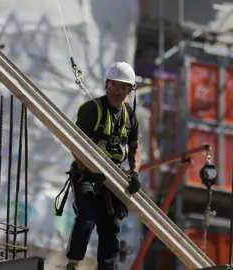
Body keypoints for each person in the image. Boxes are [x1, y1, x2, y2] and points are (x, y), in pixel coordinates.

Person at [65, 62, 142, 270]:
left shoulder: (130, 116)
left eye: (124, 87)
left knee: (112, 227)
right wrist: (91, 169)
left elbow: (135, 148)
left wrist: (134, 173)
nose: (118, 91)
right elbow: (76, 146)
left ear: (130, 90)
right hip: (86, 173)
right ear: (107, 84)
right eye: (115, 85)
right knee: (88, 215)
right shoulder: (92, 110)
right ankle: (73, 264)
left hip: (113, 178)